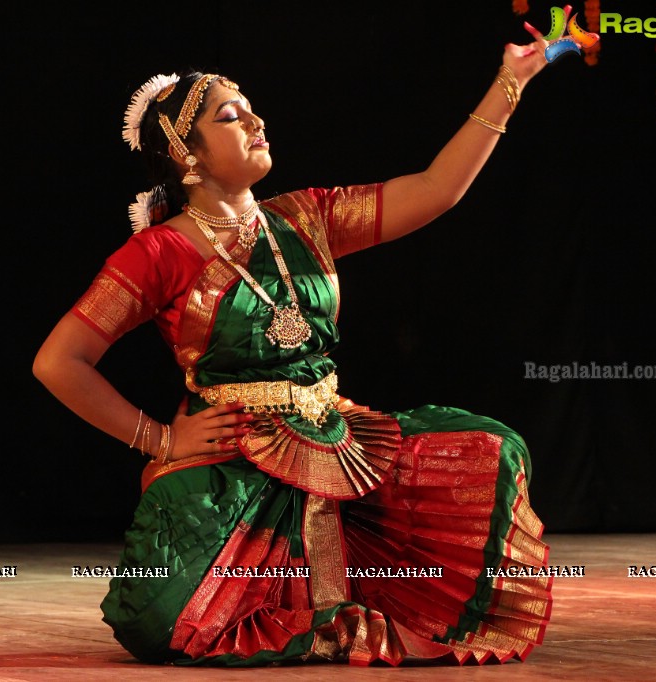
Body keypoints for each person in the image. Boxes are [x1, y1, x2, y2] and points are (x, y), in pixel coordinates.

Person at [33, 20, 555, 666]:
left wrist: (510, 83)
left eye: (252, 112)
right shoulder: (159, 252)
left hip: (337, 439)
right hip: (233, 461)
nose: (255, 123)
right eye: (230, 116)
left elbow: (433, 190)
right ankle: (311, 615)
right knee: (161, 621)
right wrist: (158, 439)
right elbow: (59, 361)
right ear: (182, 152)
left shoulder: (306, 218)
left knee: (488, 450)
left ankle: (344, 605)